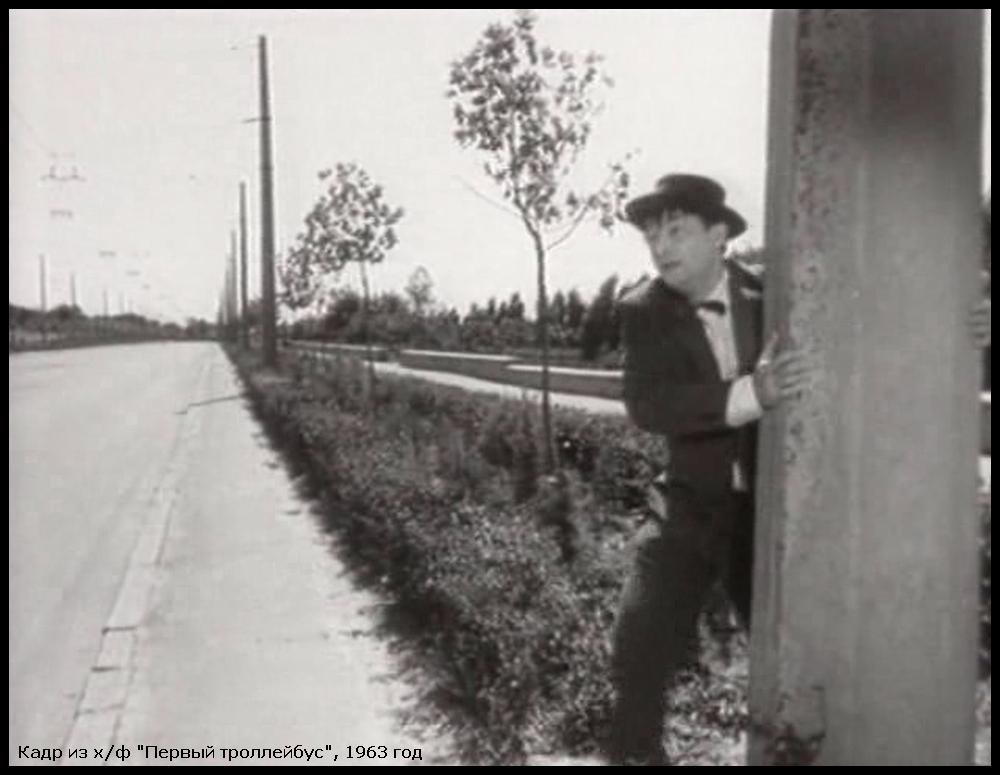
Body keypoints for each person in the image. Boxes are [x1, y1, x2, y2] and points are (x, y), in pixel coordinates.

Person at [606, 173, 991, 766]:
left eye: (676, 231)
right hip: (688, 505)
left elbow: (871, 328)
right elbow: (647, 404)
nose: (660, 248)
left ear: (719, 235)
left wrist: (967, 326)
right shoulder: (643, 310)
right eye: (651, 236)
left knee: (798, 662)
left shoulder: (774, 296)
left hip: (770, 518)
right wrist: (750, 395)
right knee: (637, 642)